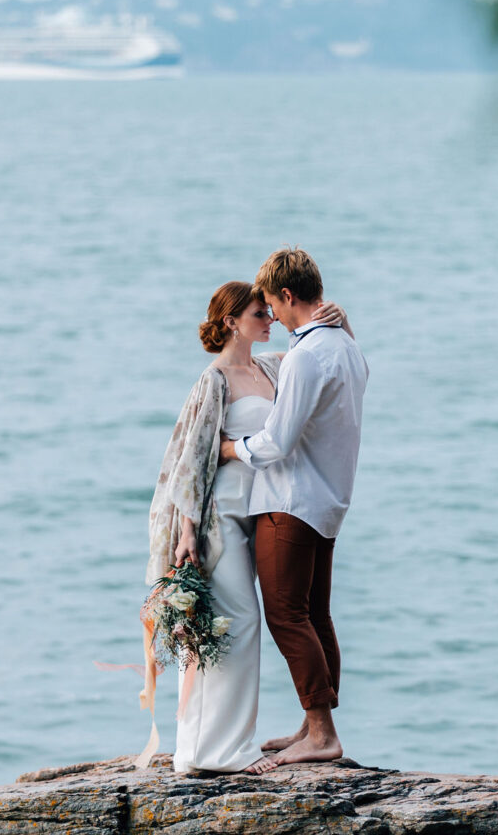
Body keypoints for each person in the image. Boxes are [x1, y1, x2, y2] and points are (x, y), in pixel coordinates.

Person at [144, 279, 349, 774]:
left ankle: (196, 750)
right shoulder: (213, 380)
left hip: (262, 513)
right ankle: (226, 751)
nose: (269, 319)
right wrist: (187, 530)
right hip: (221, 521)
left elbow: (315, 355)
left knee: (226, 628)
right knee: (240, 624)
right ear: (232, 320)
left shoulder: (271, 366)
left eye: (269, 311)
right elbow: (191, 458)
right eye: (259, 313)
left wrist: (337, 318)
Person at [220, 247, 369, 770]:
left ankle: (322, 732)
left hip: (291, 499)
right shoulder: (346, 347)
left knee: (287, 616)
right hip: (329, 497)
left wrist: (230, 449)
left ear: (287, 296)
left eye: (272, 307)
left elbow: (278, 440)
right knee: (315, 613)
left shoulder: (307, 355)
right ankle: (314, 724)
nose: (273, 318)